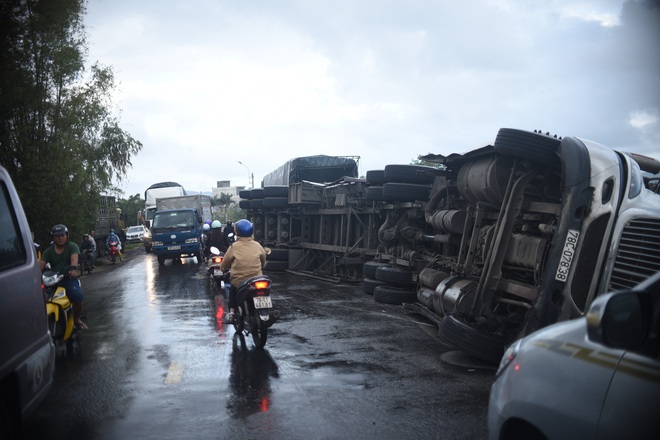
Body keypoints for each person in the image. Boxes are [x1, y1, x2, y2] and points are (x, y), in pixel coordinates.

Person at [39, 224, 87, 329]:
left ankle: (77, 319)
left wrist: (72, 270)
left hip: (68, 279)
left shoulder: (72, 246)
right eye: (57, 236)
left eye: (62, 235)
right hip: (53, 281)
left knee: (77, 296)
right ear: (53, 238)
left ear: (67, 236)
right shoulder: (48, 251)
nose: (60, 238)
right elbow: (40, 267)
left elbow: (74, 261)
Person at [219, 219, 267, 323]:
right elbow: (263, 258)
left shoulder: (234, 247)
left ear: (237, 231)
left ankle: (232, 313)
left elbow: (225, 262)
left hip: (240, 281)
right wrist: (262, 266)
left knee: (232, 289)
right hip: (257, 278)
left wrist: (222, 269)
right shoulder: (257, 245)